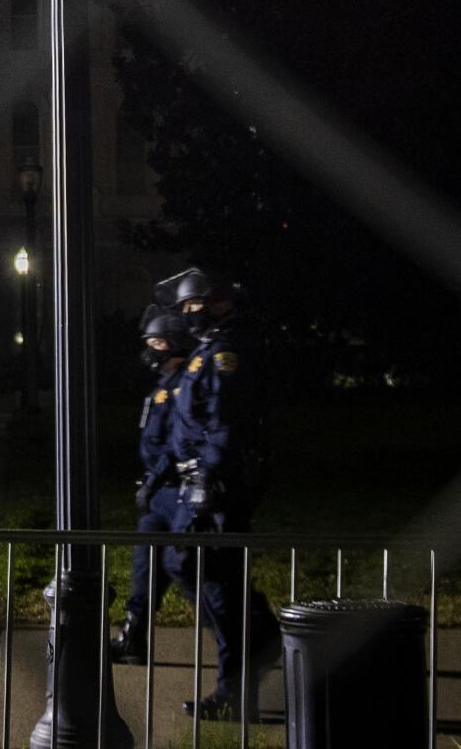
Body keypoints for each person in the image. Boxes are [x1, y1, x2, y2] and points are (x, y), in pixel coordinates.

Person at [165, 278, 282, 718]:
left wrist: (208, 478)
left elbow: (225, 420)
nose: (189, 311)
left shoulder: (226, 352)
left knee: (216, 582)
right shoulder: (207, 349)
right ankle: (263, 641)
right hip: (202, 481)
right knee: (196, 572)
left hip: (218, 486)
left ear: (217, 305)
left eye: (196, 303)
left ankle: (235, 689)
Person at [109, 308, 195, 664]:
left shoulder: (182, 386)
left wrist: (156, 478)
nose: (151, 349)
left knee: (185, 568)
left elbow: (177, 443)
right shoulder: (162, 386)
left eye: (157, 342)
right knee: (145, 567)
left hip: (176, 491)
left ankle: (236, 637)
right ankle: (133, 637)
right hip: (157, 493)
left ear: (173, 345)